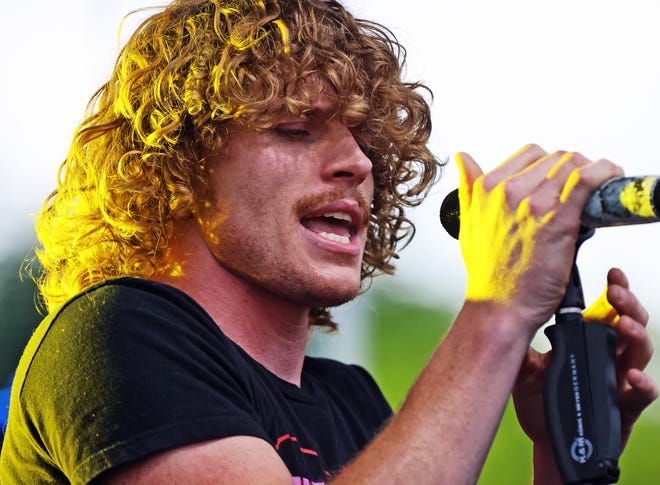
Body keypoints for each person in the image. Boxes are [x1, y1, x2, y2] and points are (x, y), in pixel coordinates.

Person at [0, 0, 656, 483]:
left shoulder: (352, 401)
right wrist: (496, 314)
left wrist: (562, 450)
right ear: (177, 167)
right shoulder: (112, 336)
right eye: (296, 128)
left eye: (365, 141)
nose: (359, 163)